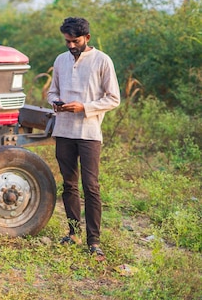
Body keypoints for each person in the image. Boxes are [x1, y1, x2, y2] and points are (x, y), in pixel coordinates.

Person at [47, 17, 120, 261]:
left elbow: (113, 98)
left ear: (87, 38)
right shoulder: (60, 60)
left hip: (89, 133)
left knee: (91, 187)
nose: (70, 45)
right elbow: (52, 91)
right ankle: (73, 233)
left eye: (75, 41)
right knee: (69, 185)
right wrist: (56, 103)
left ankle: (94, 241)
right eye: (67, 41)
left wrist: (84, 107)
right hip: (64, 130)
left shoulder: (102, 61)